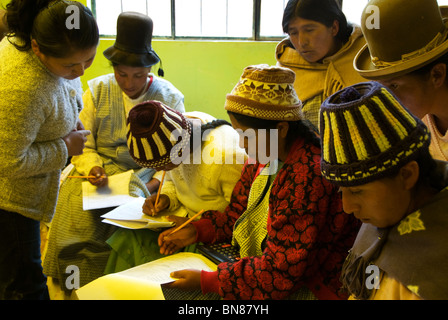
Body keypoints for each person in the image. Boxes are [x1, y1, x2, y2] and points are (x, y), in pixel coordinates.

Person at [157, 65, 361, 300]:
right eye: (238, 134)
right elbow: (236, 215)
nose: (243, 145)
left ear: (281, 128)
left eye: (247, 135)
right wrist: (197, 230)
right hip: (270, 270)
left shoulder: (307, 176)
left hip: (312, 286)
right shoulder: (264, 158)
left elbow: (281, 273)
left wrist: (209, 280)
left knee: (185, 299)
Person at [42, 12, 185, 295]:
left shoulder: (169, 97)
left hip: (142, 172)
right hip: (99, 171)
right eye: (122, 74)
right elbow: (84, 142)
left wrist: (154, 184)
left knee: (122, 230)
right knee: (74, 223)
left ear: (150, 72)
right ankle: (73, 285)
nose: (129, 83)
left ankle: (109, 287)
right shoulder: (96, 90)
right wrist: (93, 168)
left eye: (138, 76)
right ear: (113, 68)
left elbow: (176, 155)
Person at [0, 0, 98, 300]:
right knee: (24, 287)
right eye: (71, 66)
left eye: (89, 60)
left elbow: (60, 93)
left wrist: (73, 115)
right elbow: (7, 161)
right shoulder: (22, 87)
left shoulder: (42, 46)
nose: (80, 71)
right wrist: (65, 147)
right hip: (10, 202)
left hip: (27, 193)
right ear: (38, 49)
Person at [319, 81, 448, 300]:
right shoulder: (384, 222)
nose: (347, 207)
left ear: (407, 175)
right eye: (342, 191)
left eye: (358, 191)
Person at [104, 100, 247, 275]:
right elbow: (172, 179)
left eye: (163, 165)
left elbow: (242, 216)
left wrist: (196, 226)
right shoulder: (178, 132)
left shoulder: (225, 158)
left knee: (162, 270)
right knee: (127, 235)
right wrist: (165, 198)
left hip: (211, 233)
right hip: (182, 218)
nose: (157, 171)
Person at [354, 0, 448, 161]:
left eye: (394, 86)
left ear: (436, 75)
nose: (387, 101)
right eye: (381, 88)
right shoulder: (417, 121)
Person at [276, 0, 366, 129]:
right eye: (293, 33)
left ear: (334, 27)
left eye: (310, 30)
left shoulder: (365, 59)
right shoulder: (286, 71)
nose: (302, 42)